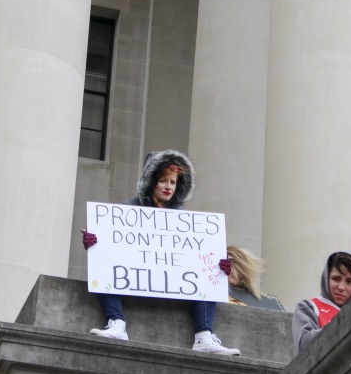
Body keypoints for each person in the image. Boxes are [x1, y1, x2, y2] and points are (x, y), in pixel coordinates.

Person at [82, 149, 240, 355]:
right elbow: (108, 245)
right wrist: (94, 242)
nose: (168, 187)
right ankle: (116, 322)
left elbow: (199, 259)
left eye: (173, 182)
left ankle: (204, 335)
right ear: (151, 181)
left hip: (175, 282)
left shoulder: (186, 220)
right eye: (163, 181)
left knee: (207, 273)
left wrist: (220, 265)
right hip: (133, 276)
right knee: (102, 258)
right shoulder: (124, 210)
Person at [292, 251, 351, 353]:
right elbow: (304, 346)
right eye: (336, 279)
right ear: (326, 278)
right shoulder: (308, 307)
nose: (341, 287)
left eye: (349, 281)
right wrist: (341, 326)